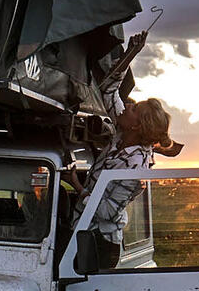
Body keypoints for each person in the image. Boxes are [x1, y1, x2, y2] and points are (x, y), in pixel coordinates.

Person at [64, 35, 174, 268]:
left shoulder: (135, 167)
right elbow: (109, 90)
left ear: (137, 125)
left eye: (134, 108)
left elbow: (106, 212)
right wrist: (131, 53)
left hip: (99, 244)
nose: (128, 105)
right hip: (85, 234)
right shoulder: (122, 134)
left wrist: (76, 185)